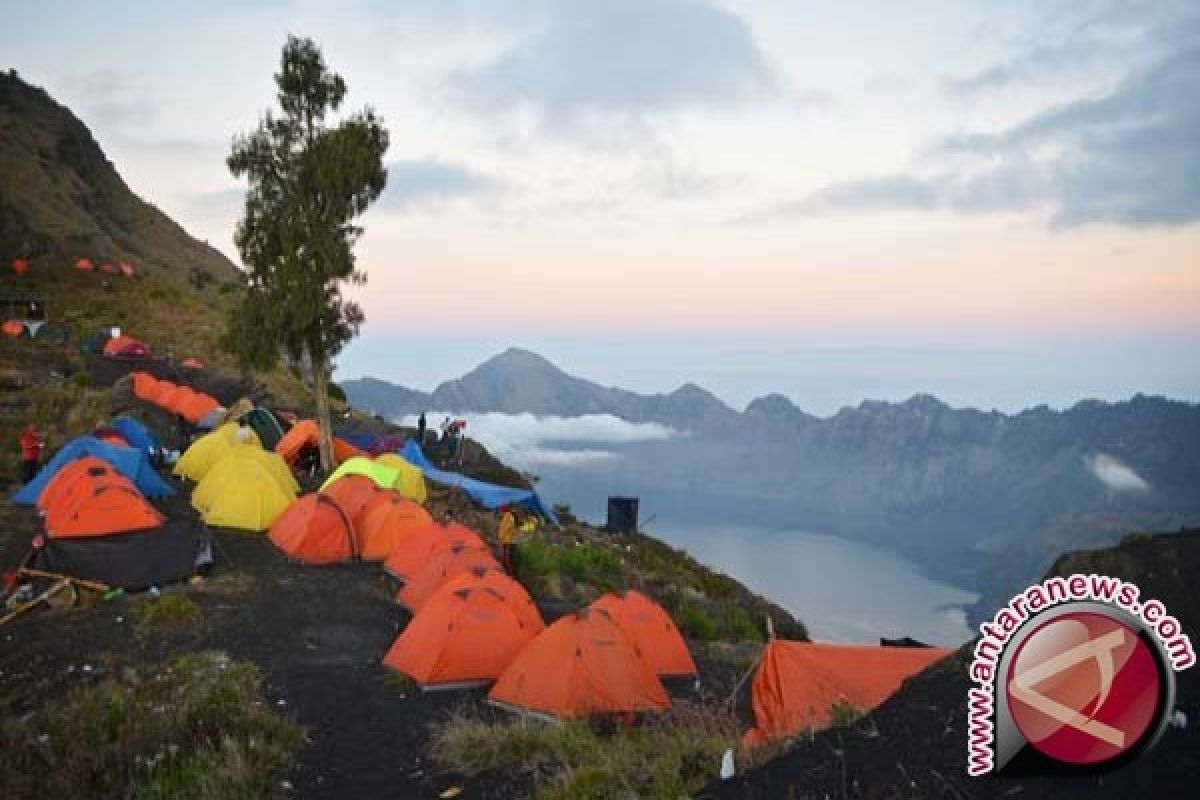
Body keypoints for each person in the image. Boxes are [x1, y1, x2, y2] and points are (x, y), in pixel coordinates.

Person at [498, 506, 519, 576]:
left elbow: (505, 529)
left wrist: (501, 537)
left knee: (508, 559)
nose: (500, 513)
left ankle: (511, 575)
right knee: (505, 558)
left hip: (509, 541)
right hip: (507, 541)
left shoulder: (508, 518)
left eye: (500, 512)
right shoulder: (507, 518)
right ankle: (507, 573)